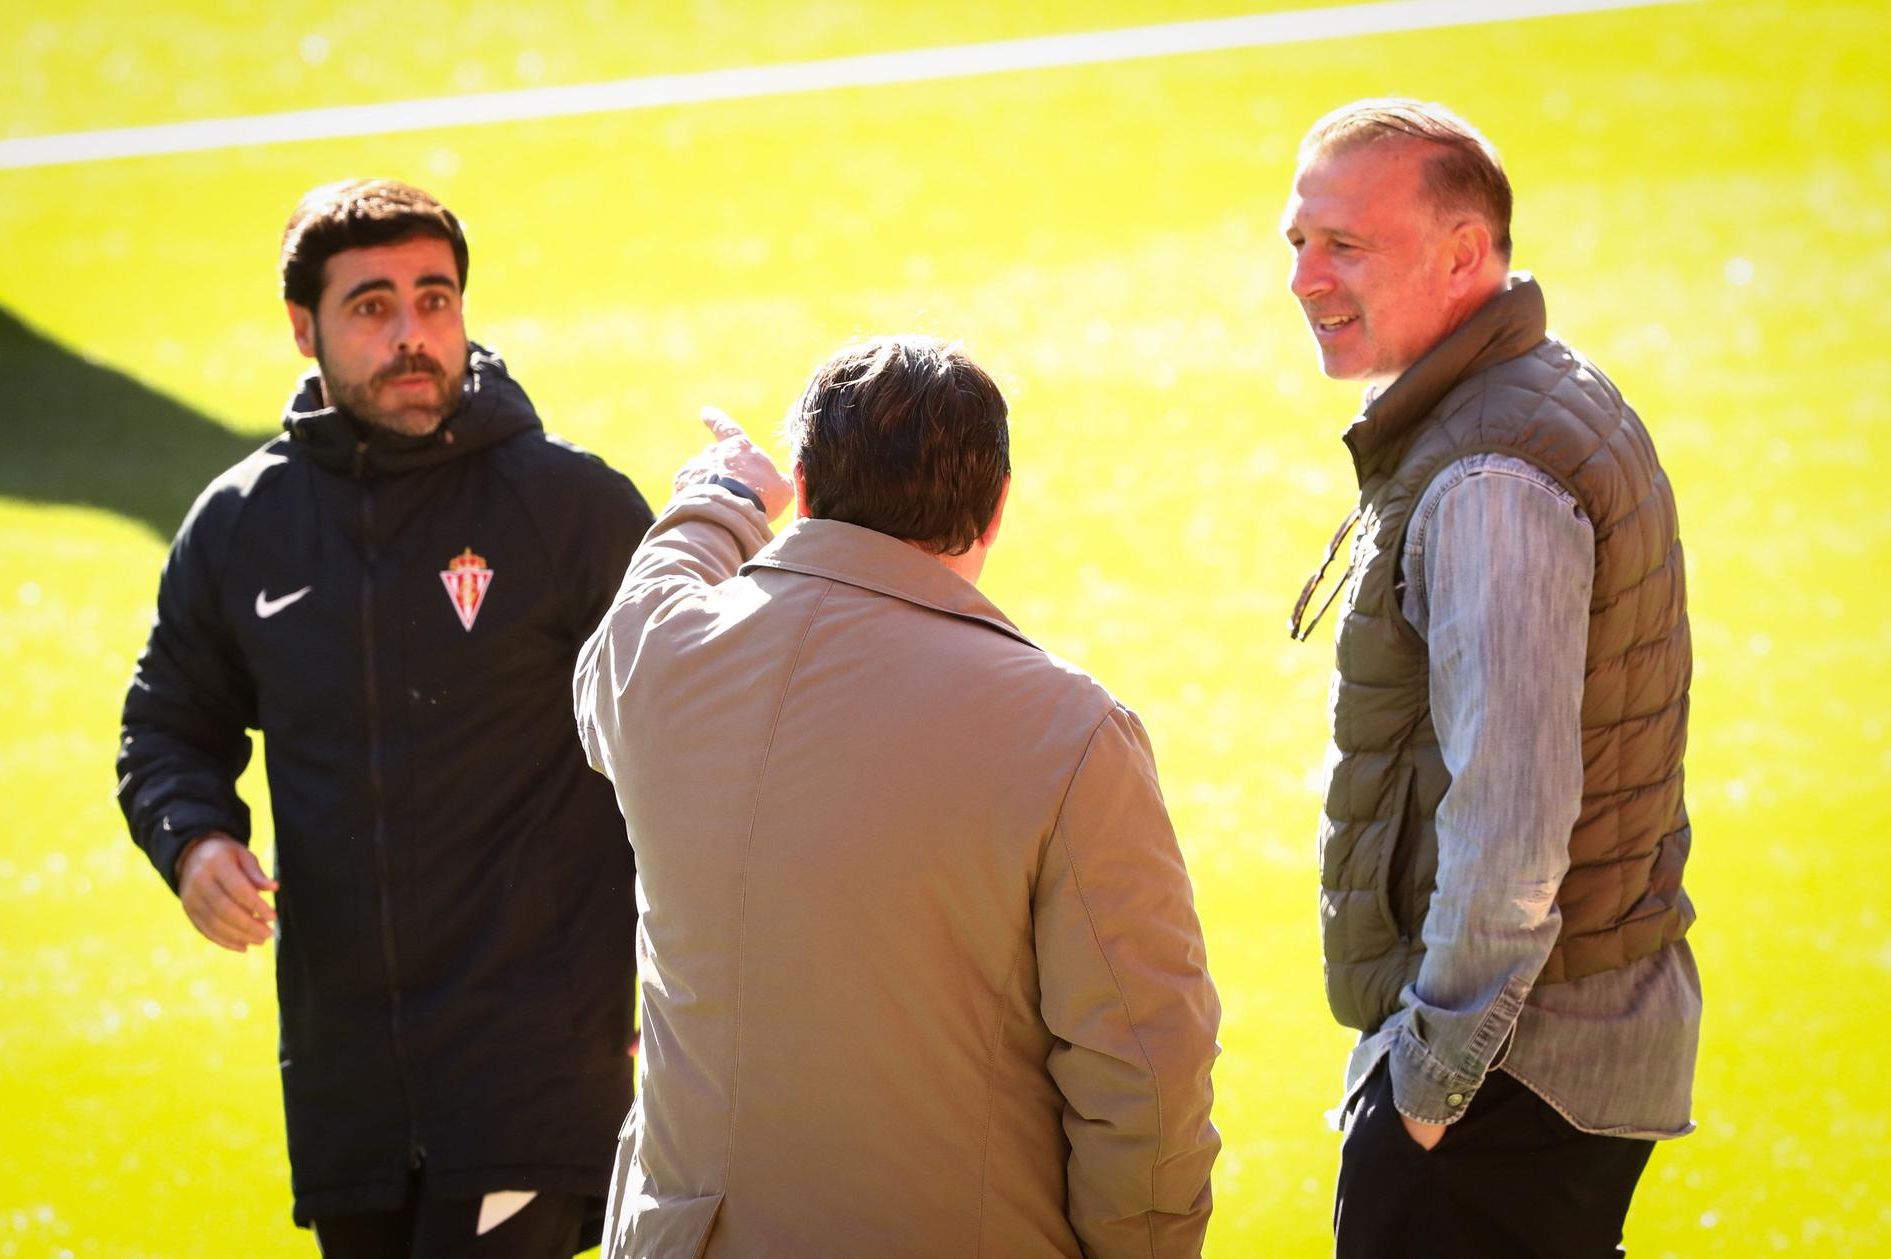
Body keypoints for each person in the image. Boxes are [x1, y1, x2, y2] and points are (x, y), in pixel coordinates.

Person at [571, 336, 1222, 1258]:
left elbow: (651, 595)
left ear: (803, 478)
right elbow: (1147, 1069)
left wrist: (722, 498)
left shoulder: (657, 663)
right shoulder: (1069, 729)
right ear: (996, 507)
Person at [115, 179, 653, 1255]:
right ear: (302, 329)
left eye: (435, 299)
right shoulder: (238, 527)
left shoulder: (571, 509)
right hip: (347, 1074)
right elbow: (171, 721)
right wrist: (193, 836)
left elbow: (699, 736)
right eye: (372, 307)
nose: (414, 335)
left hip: (532, 1064)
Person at [1280, 99, 1702, 1256]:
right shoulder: (1526, 396)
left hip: (1506, 1071)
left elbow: (1511, 822)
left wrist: (1425, 1086)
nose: (1305, 278)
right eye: (1297, 243)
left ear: (1465, 253)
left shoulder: (1488, 475)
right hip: (1542, 1054)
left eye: (1344, 245)